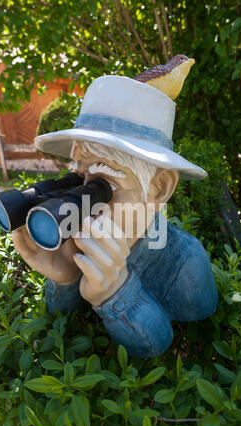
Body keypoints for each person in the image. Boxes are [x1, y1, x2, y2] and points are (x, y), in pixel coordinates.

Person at [13, 73, 218, 358]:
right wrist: (65, 280)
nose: (83, 202)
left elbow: (172, 345)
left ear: (158, 188)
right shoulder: (80, 238)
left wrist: (116, 292)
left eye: (103, 186)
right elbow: (62, 327)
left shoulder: (187, 267)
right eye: (77, 179)